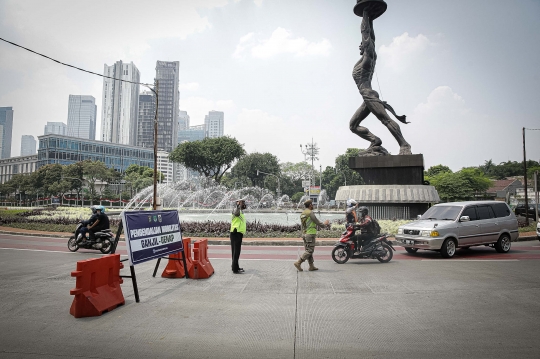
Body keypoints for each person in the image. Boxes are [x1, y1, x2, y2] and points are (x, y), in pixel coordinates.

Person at [349, 6, 412, 156]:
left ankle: (405, 145)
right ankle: (375, 141)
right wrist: (370, 20)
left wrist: (365, 13)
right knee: (353, 125)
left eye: (362, 44)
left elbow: (366, 35)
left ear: (366, 46)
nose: (360, 44)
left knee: (386, 120)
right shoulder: (364, 59)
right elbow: (371, 37)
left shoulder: (368, 58)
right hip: (366, 97)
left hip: (369, 95)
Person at [294, 199, 330, 272]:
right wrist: (325, 224)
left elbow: (302, 225)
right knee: (310, 250)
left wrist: (302, 234)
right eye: (312, 204)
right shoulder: (310, 213)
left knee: (308, 250)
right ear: (310, 205)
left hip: (305, 234)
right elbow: (317, 222)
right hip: (310, 234)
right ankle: (298, 262)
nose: (313, 206)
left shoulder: (303, 213)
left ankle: (311, 266)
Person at [230, 198, 247, 274]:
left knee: (236, 251)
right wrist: (238, 205)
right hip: (236, 232)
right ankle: (235, 269)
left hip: (238, 233)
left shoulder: (241, 211)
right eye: (242, 203)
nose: (243, 204)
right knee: (236, 251)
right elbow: (236, 213)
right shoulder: (236, 210)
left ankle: (235, 266)